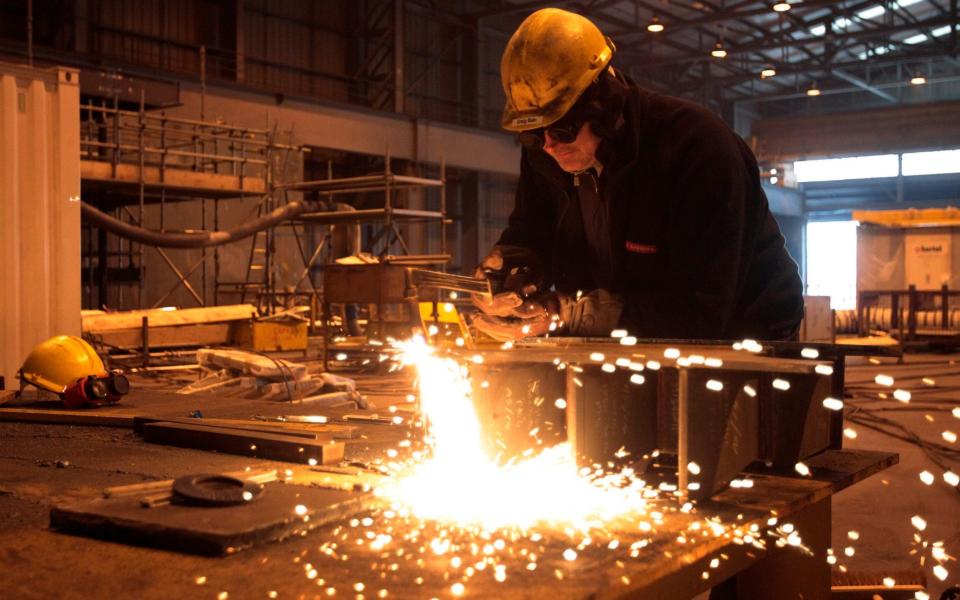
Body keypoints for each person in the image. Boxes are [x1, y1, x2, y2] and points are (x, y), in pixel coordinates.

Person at [472, 8, 804, 342]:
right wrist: (512, 270)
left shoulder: (698, 149)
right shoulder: (545, 155)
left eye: (561, 129)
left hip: (744, 330)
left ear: (603, 104)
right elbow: (530, 231)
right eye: (533, 134)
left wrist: (569, 313)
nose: (547, 145)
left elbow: (699, 312)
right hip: (627, 324)